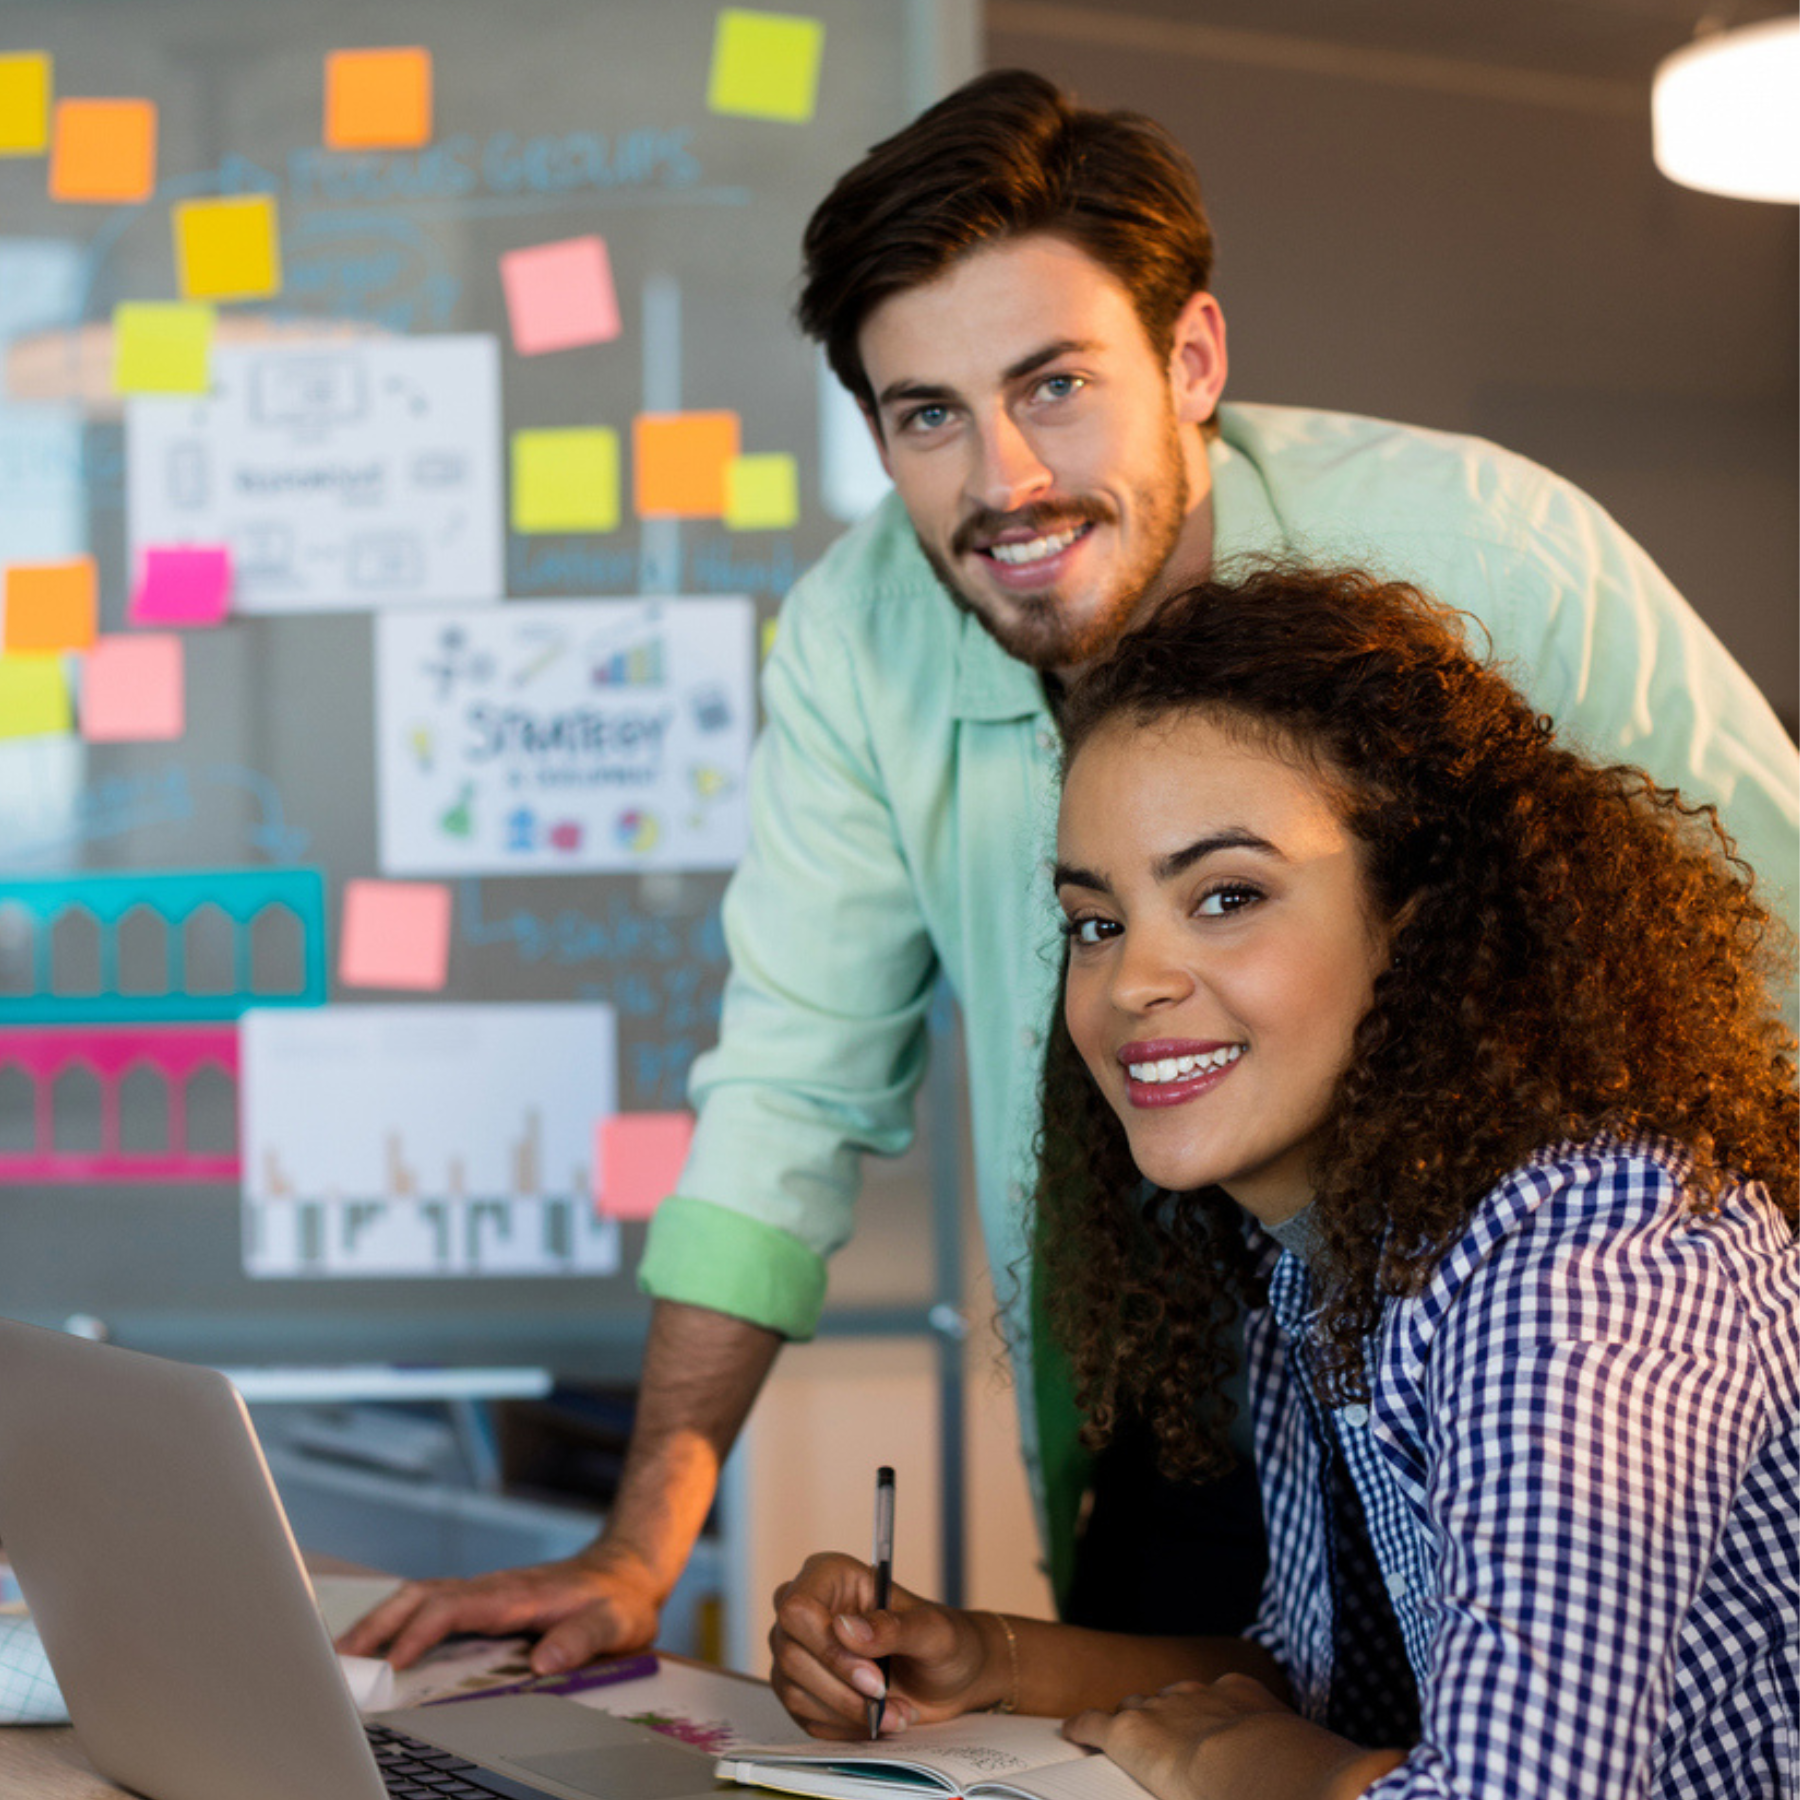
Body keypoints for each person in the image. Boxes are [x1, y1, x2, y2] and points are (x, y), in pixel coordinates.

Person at [339, 70, 1800, 1674]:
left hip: (1551, 1346)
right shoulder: (857, 636)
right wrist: (636, 1551)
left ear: (1192, 361)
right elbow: (788, 1092)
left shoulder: (1487, 549)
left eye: (1052, 386)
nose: (1004, 483)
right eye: (928, 416)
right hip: (1190, 1349)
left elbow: (1768, 956)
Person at [766, 565, 1798, 1800]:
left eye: (1229, 896)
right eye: (1096, 921)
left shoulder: (1588, 1254)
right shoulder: (1327, 1251)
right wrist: (986, 1657)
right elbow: (1305, 1682)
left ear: (1420, 924)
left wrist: (1288, 1779)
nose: (1132, 979)